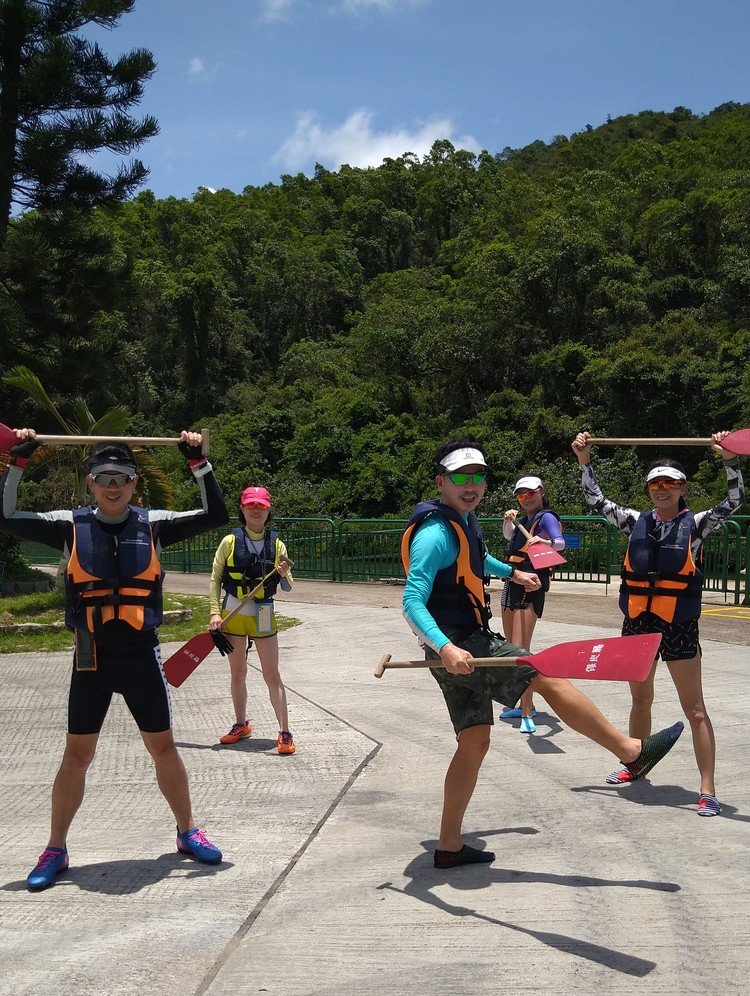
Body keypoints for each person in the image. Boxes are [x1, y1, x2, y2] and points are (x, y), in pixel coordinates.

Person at [401, 437, 685, 868]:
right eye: (460, 477)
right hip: (460, 644)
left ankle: (449, 844)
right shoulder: (436, 533)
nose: (471, 485)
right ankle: (631, 751)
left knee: (474, 742)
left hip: (456, 647)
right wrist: (445, 647)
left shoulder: (462, 519)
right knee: (546, 675)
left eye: (478, 476)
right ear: (441, 482)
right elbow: (411, 600)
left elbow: (476, 559)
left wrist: (513, 573)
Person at [0, 428, 229, 890]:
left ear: (133, 484)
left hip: (141, 655)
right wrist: (17, 462)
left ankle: (187, 832)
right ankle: (56, 848)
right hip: (92, 659)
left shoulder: (154, 524)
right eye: (103, 477)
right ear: (91, 483)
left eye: (121, 477)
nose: (112, 485)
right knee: (77, 755)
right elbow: (4, 516)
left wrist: (197, 462)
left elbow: (216, 515)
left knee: (163, 749)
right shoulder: (67, 525)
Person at [572, 430, 745, 816]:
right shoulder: (635, 521)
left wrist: (729, 459)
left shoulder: (697, 524)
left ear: (683, 488)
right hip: (638, 623)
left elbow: (735, 500)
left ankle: (707, 789)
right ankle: (635, 763)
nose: (662, 490)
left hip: (678, 625)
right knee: (640, 700)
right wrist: (584, 461)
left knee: (695, 710)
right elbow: (596, 500)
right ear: (648, 489)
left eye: (670, 483)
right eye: (655, 484)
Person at [209, 486, 296, 754]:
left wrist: (282, 572)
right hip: (233, 614)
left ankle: (285, 732)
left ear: (268, 511)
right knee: (238, 673)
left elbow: (288, 586)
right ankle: (241, 724)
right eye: (251, 506)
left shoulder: (277, 545)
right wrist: (214, 612)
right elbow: (215, 579)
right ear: (242, 509)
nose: (256, 510)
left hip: (263, 615)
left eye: (261, 506)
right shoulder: (229, 542)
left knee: (272, 674)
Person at [500, 475, 566, 732]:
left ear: (541, 492)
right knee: (510, 649)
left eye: (531, 493)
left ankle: (527, 710)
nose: (526, 498)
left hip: (531, 585)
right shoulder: (524, 520)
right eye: (521, 494)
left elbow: (560, 542)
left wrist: (545, 542)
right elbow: (509, 537)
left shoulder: (546, 517)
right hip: (513, 581)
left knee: (521, 650)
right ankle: (525, 705)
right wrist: (508, 521)